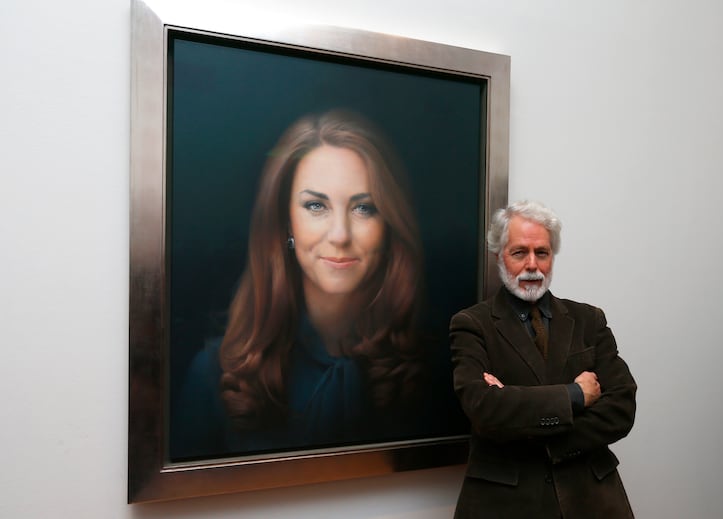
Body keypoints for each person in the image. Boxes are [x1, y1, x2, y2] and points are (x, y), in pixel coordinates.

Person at [172, 110, 429, 459]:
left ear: (389, 226)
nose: (340, 235)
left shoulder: (436, 365)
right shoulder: (212, 374)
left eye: (364, 208)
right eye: (315, 205)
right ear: (286, 224)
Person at [450, 200, 637, 518]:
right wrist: (576, 395)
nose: (532, 265)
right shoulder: (471, 325)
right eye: (519, 252)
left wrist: (525, 419)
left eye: (542, 253)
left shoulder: (589, 320)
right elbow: (483, 407)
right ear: (500, 256)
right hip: (506, 504)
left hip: (592, 500)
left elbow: (621, 408)